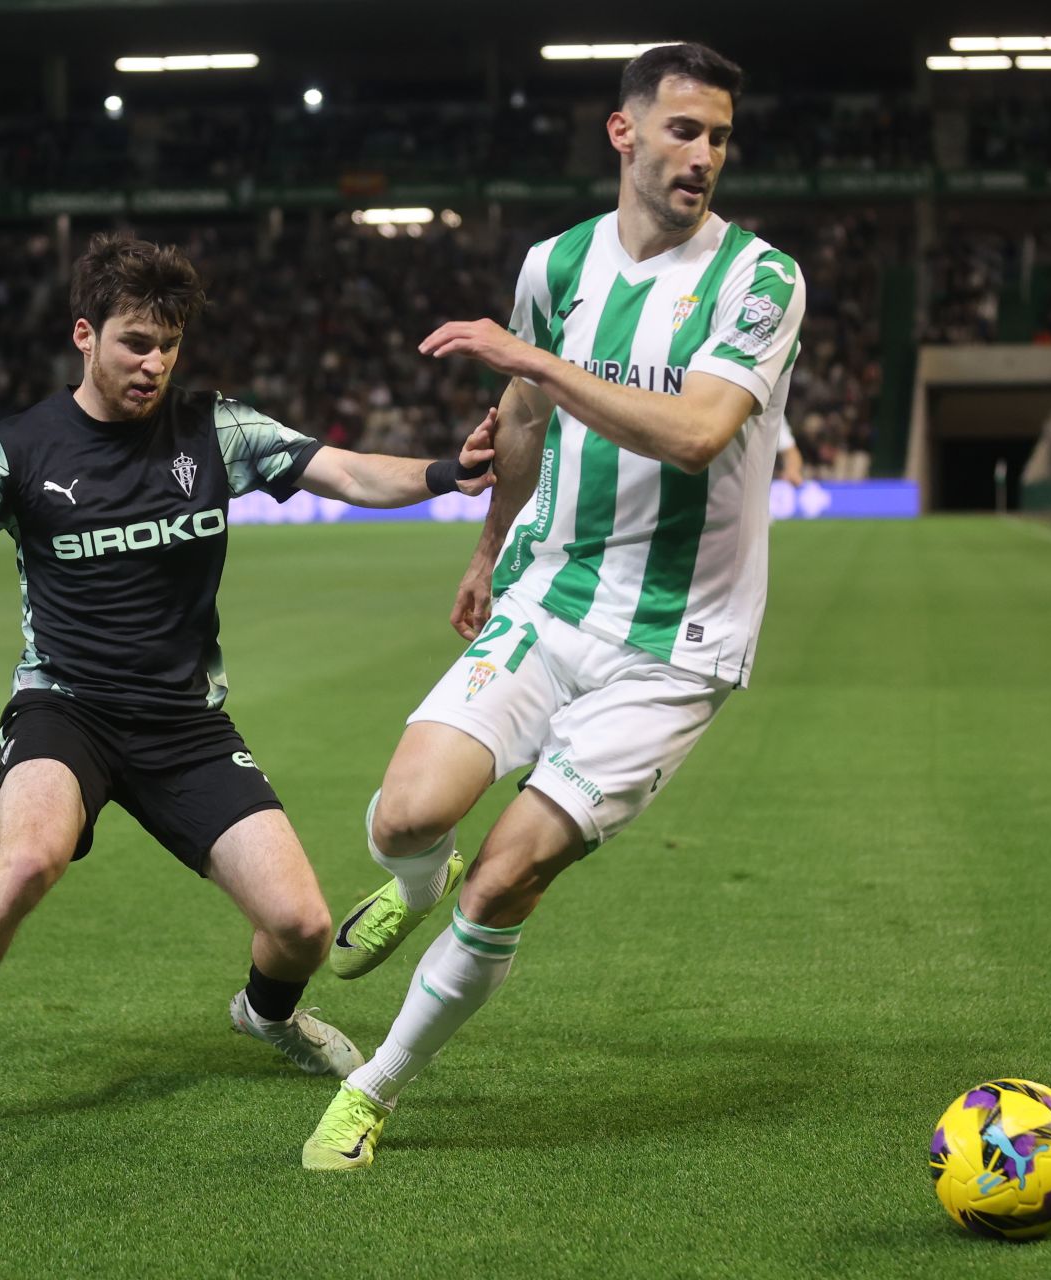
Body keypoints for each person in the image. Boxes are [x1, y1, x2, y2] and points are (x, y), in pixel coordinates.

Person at [0, 233, 497, 1150]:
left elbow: (343, 470)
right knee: (30, 857)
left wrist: (445, 472)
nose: (156, 364)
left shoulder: (215, 428)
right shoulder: (14, 448)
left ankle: (266, 1016)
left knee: (304, 928)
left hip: (186, 723)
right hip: (64, 707)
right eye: (135, 343)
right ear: (86, 334)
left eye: (170, 345)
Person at [301, 41, 805, 1171]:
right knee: (404, 815)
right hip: (552, 588)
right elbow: (523, 421)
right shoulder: (557, 264)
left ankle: (375, 1086)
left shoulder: (762, 279)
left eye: (721, 136)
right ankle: (410, 885)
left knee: (509, 871)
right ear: (623, 133)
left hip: (675, 643)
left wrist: (533, 356)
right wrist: (488, 545)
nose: (705, 156)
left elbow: (697, 432)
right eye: (684, 131)